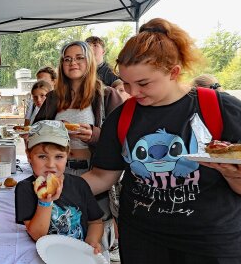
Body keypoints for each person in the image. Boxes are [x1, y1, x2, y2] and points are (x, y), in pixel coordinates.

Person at [82, 18, 241, 263]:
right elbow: (103, 176)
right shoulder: (122, 117)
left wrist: (232, 175)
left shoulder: (220, 108)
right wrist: (62, 186)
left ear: (173, 72)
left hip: (210, 243)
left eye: (143, 83)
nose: (133, 93)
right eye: (126, 83)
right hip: (142, 240)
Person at [34, 41, 123, 176]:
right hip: (57, 170)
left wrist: (94, 135)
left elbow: (121, 139)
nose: (72, 62)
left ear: (90, 61)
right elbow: (36, 129)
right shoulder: (53, 97)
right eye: (67, 59)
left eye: (79, 58)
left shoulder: (107, 95)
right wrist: (53, 128)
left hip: (92, 171)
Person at [15, 120, 104, 254]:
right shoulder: (25, 189)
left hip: (78, 255)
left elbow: (95, 222)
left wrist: (92, 240)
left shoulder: (80, 185)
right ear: (29, 156)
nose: (51, 164)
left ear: (67, 155)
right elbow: (38, 235)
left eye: (58, 156)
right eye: (42, 156)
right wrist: (45, 202)